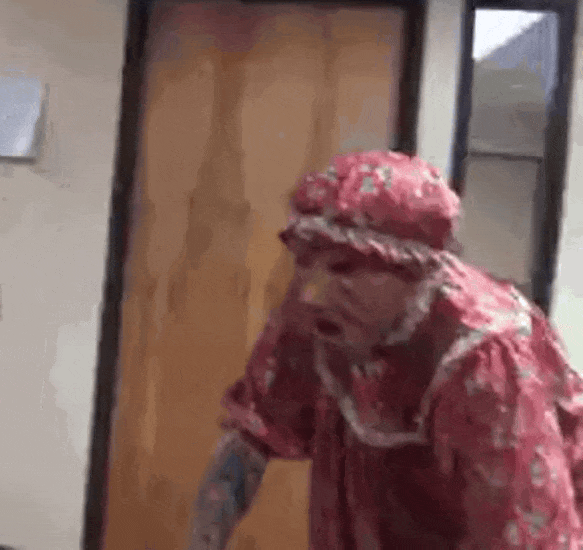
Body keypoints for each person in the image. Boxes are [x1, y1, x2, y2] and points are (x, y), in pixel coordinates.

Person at [188, 150, 583, 549]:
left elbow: (527, 534)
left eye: (345, 269)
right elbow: (251, 439)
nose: (312, 293)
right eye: (305, 262)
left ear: (415, 272)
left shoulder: (486, 356)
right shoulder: (317, 316)